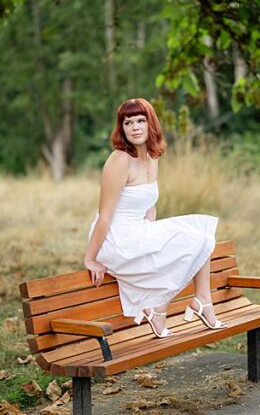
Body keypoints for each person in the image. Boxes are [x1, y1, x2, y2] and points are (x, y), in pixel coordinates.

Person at [83, 98, 226, 338]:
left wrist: (154, 238)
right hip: (115, 239)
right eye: (128, 122)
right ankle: (163, 309)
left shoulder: (152, 156)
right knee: (193, 237)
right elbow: (105, 215)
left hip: (138, 231)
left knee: (200, 235)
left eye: (141, 120)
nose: (135, 127)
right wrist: (90, 258)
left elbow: (150, 207)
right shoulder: (119, 160)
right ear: (122, 128)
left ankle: (200, 300)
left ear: (151, 124)